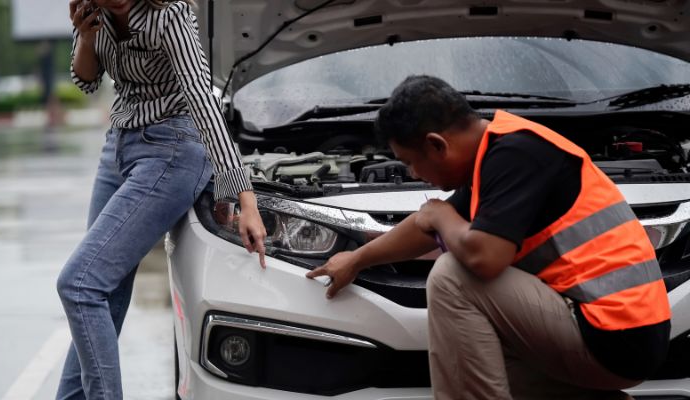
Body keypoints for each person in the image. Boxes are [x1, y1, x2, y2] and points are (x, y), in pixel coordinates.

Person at [306, 75, 671, 399]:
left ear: (437, 144)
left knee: (454, 276)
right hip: (613, 334)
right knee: (485, 358)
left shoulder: (517, 153)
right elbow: (423, 229)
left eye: (410, 162)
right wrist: (356, 259)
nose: (414, 174)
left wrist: (440, 213)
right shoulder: (492, 157)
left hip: (614, 336)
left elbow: (484, 257)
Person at [56, 0, 267, 399]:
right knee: (101, 289)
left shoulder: (169, 16)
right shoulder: (91, 13)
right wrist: (85, 38)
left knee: (78, 284)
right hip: (117, 148)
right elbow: (84, 81)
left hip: (172, 150)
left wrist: (245, 196)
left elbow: (203, 102)